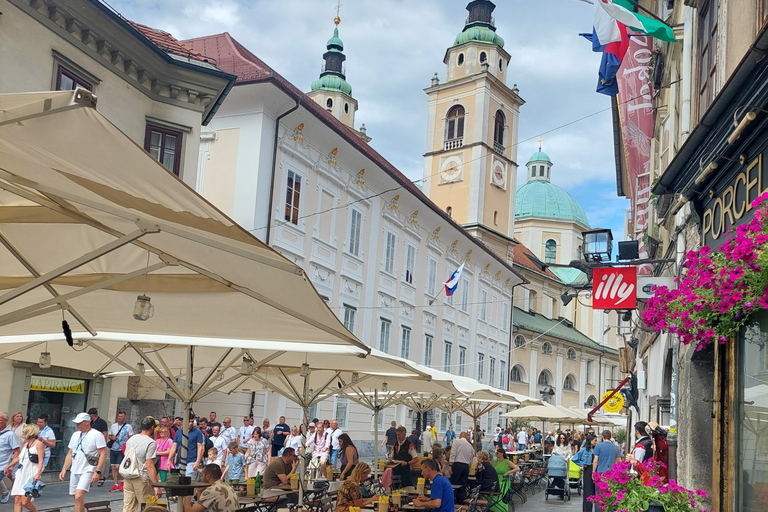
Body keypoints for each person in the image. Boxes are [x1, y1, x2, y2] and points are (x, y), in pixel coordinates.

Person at [59, 412, 108, 512]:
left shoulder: (96, 435)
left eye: (79, 423)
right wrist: (64, 468)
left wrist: (97, 471)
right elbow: (70, 453)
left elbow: (103, 453)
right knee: (76, 498)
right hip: (75, 469)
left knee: (78, 496)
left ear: (86, 422)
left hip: (88, 469)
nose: (77, 425)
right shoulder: (75, 435)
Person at [122, 416, 160, 512]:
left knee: (128, 507)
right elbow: (150, 466)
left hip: (128, 475)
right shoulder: (151, 442)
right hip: (142, 477)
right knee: (149, 507)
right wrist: (157, 486)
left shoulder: (131, 439)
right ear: (152, 428)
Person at [10, 424, 43, 512]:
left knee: (25, 501)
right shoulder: (26, 444)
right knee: (17, 499)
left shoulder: (38, 444)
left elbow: (41, 461)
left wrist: (38, 474)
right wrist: (9, 466)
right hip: (21, 473)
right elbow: (19, 457)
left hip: (31, 474)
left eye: (24, 431)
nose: (22, 433)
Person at [107, 411, 133, 491]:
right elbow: (109, 435)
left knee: (118, 467)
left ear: (124, 417)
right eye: (119, 416)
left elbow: (131, 437)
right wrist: (112, 438)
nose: (119, 418)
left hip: (122, 449)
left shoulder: (128, 426)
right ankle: (115, 484)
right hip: (113, 448)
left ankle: (122, 481)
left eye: (121, 416)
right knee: (113, 467)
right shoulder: (114, 426)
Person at [573, 434, 597, 512]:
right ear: (590, 441)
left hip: (596, 470)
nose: (596, 442)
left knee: (596, 491)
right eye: (595, 440)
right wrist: (582, 464)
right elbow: (574, 459)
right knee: (588, 492)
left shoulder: (597, 449)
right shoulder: (584, 450)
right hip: (588, 470)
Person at [0, 412, 20, 504]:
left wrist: (11, 465)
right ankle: (5, 492)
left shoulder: (10, 435)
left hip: (3, 465)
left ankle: (5, 493)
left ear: (5, 421)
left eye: (0, 420)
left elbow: (16, 451)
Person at [491, 448, 519, 512]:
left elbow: (517, 468)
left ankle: (502, 509)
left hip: (504, 480)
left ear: (502, 454)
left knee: (500, 494)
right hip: (496, 480)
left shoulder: (507, 461)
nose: (496, 454)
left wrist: (508, 472)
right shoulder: (496, 462)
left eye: (497, 453)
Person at [448, 431, 474, 502]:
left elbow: (453, 453)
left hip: (457, 465)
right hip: (466, 466)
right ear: (466, 437)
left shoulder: (456, 441)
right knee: (463, 485)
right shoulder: (470, 446)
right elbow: (471, 459)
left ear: (460, 436)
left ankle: (453, 500)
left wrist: (450, 465)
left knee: (454, 484)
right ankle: (461, 501)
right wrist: (469, 467)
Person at [88, 409, 108, 486]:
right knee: (92, 461)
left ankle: (98, 477)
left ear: (93, 415)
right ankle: (100, 477)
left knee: (95, 462)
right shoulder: (90, 423)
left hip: (99, 445)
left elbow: (105, 434)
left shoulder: (102, 422)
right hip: (91, 444)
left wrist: (103, 445)